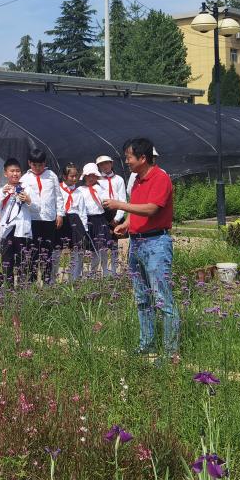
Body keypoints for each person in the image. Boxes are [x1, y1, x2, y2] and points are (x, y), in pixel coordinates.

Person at [103, 138, 179, 359]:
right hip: (137, 243)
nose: (126, 161)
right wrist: (127, 224)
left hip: (156, 244)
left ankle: (171, 352)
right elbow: (137, 209)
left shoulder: (160, 178)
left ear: (142, 158)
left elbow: (151, 209)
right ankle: (147, 344)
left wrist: (119, 205)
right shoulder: (136, 180)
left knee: (162, 298)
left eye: (129, 157)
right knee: (142, 297)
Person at [21, 149, 63, 285]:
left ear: (45, 163)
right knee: (32, 251)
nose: (38, 168)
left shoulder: (51, 176)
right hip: (32, 219)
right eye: (34, 165)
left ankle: (47, 281)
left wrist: (60, 214)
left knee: (48, 251)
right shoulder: (25, 178)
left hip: (48, 219)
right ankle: (32, 281)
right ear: (29, 163)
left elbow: (58, 196)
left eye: (41, 165)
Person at [0, 159, 34, 286]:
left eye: (17, 171)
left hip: (22, 230)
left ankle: (23, 291)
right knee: (7, 262)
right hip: (7, 230)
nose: (15, 174)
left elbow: (38, 208)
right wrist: (2, 194)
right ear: (5, 173)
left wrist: (28, 200)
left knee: (23, 262)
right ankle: (8, 290)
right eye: (12, 171)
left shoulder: (27, 188)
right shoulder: (2, 190)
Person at [73, 164, 112, 279]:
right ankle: (78, 275)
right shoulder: (79, 190)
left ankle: (103, 273)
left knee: (101, 247)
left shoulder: (100, 188)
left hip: (99, 219)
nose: (91, 178)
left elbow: (106, 201)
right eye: (88, 175)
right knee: (84, 248)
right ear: (84, 176)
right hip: (85, 220)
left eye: (93, 175)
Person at [96, 155, 127, 274]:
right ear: (98, 167)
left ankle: (114, 271)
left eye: (107, 163)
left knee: (114, 243)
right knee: (102, 243)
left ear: (111, 164)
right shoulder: (97, 180)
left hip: (116, 211)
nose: (105, 166)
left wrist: (117, 218)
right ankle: (105, 271)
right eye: (101, 164)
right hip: (103, 212)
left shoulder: (119, 179)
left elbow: (123, 199)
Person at [54, 164, 84, 282]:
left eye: (76, 176)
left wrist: (84, 228)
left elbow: (82, 211)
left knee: (76, 249)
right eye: (71, 176)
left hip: (75, 220)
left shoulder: (79, 192)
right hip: (61, 219)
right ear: (64, 176)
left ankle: (74, 278)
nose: (74, 178)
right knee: (57, 249)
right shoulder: (58, 189)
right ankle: (52, 278)